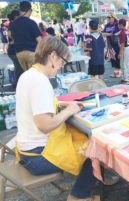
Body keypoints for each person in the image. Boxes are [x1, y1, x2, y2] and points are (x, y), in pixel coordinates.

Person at [15, 36, 99, 201]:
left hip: (27, 150)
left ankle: (97, 178)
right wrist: (69, 111)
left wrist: (61, 104)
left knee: (83, 138)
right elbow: (45, 125)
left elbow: (38, 104)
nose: (62, 66)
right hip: (38, 156)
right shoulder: (40, 82)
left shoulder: (30, 74)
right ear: (53, 56)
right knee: (95, 150)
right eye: (62, 61)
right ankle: (78, 197)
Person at [10, 1, 42, 71]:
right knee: (36, 73)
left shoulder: (14, 23)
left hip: (19, 53)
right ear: (29, 10)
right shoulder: (31, 23)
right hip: (31, 52)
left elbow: (13, 38)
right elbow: (40, 40)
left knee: (27, 74)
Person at [7, 10, 24, 85]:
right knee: (18, 68)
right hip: (13, 51)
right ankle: (16, 84)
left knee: (19, 67)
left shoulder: (13, 24)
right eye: (19, 15)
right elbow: (9, 34)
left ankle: (17, 83)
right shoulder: (13, 24)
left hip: (13, 50)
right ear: (16, 16)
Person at [102, 13, 121, 78]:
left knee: (117, 57)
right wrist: (110, 34)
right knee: (112, 58)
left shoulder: (116, 23)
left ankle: (119, 71)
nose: (108, 19)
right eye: (108, 17)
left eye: (110, 17)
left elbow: (116, 32)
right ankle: (114, 71)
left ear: (113, 17)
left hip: (117, 44)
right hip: (110, 44)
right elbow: (103, 33)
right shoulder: (107, 25)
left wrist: (108, 34)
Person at [118, 19, 129, 84]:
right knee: (125, 64)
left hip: (125, 48)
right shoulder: (126, 31)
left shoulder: (122, 32)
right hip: (128, 47)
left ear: (121, 25)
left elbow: (122, 43)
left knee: (124, 64)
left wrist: (120, 53)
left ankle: (127, 79)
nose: (118, 25)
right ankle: (125, 78)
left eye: (118, 24)